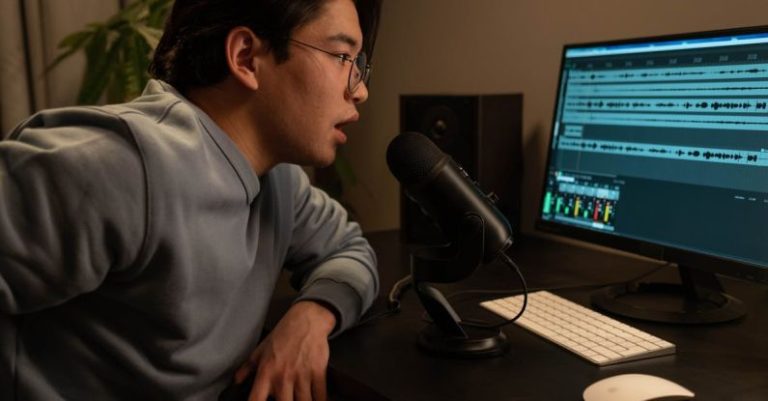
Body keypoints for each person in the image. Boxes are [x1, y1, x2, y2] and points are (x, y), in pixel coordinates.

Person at [0, 0, 381, 399]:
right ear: (246, 57)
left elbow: (349, 248)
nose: (361, 90)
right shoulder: (121, 166)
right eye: (342, 56)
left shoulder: (279, 180)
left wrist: (312, 317)